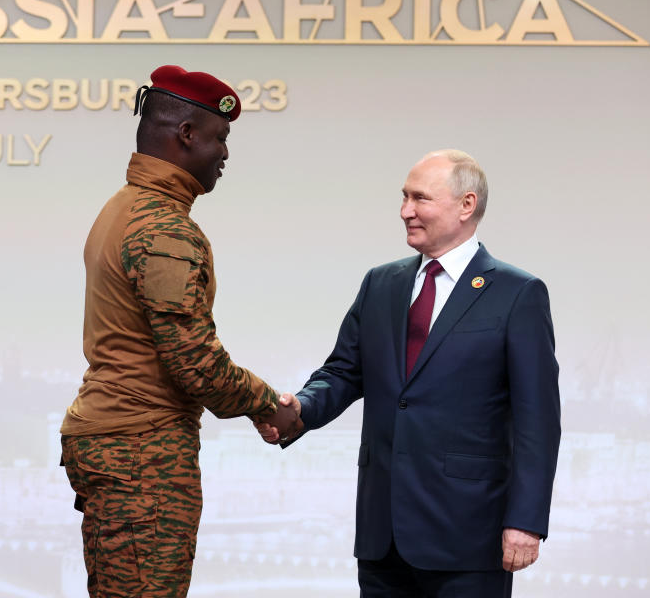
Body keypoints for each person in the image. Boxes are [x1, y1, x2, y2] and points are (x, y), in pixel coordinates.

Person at [259, 150, 561, 597]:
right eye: (403, 197)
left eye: (420, 198)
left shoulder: (518, 294)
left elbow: (538, 419)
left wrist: (526, 521)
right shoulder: (380, 284)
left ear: (466, 204)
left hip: (469, 535)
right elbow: (343, 371)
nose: (405, 211)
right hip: (383, 535)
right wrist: (298, 410)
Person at [60, 65, 301, 598]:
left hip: (115, 443)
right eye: (221, 137)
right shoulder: (165, 229)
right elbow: (196, 365)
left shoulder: (122, 209)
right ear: (187, 134)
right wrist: (268, 403)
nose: (225, 153)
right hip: (141, 454)